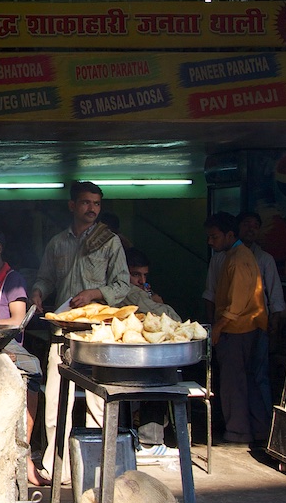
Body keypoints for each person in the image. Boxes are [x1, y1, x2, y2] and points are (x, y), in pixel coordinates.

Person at [30, 181, 130, 483]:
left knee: (99, 401)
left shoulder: (109, 241)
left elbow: (123, 285)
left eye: (97, 204)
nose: (92, 209)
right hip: (63, 331)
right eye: (86, 203)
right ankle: (55, 463)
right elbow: (46, 277)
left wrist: (94, 293)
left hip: (97, 332)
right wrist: (37, 291)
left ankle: (97, 467)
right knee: (57, 400)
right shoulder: (58, 243)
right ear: (72, 206)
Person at [203, 210, 284, 438]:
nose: (210, 241)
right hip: (246, 329)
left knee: (234, 384)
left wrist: (217, 328)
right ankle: (258, 430)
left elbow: (236, 305)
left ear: (229, 235)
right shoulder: (237, 255)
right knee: (249, 383)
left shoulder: (238, 259)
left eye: (214, 237)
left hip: (237, 331)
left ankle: (238, 431)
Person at [0, 231, 48, 486]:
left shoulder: (12, 280)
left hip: (4, 340)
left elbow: (18, 320)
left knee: (32, 369)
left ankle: (24, 453)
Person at [124, 247, 182, 463]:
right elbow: (170, 319)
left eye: (144, 276)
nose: (140, 280)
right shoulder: (128, 291)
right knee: (160, 375)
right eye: (135, 274)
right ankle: (150, 442)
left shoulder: (139, 291)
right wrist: (158, 303)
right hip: (134, 359)